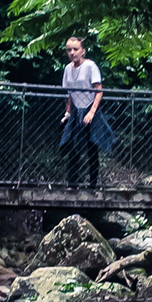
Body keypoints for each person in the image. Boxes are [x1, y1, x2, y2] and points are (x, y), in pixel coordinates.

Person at [60, 34, 104, 193]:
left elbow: (99, 91)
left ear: (83, 51)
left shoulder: (90, 66)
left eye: (75, 49)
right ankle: (73, 184)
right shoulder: (67, 69)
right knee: (73, 146)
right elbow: (68, 93)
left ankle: (92, 185)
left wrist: (91, 112)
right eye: (69, 50)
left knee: (92, 148)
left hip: (90, 108)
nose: (72, 53)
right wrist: (68, 112)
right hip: (76, 110)